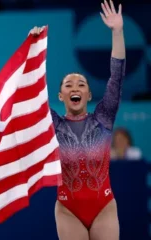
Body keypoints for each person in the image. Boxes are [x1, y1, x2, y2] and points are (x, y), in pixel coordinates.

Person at [30, 1, 125, 239]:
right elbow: (32, 93)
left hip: (104, 207)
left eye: (81, 84)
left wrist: (118, 31)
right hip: (67, 210)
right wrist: (32, 49)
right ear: (61, 96)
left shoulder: (103, 118)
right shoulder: (53, 124)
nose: (76, 87)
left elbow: (117, 76)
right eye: (69, 85)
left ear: (88, 95)